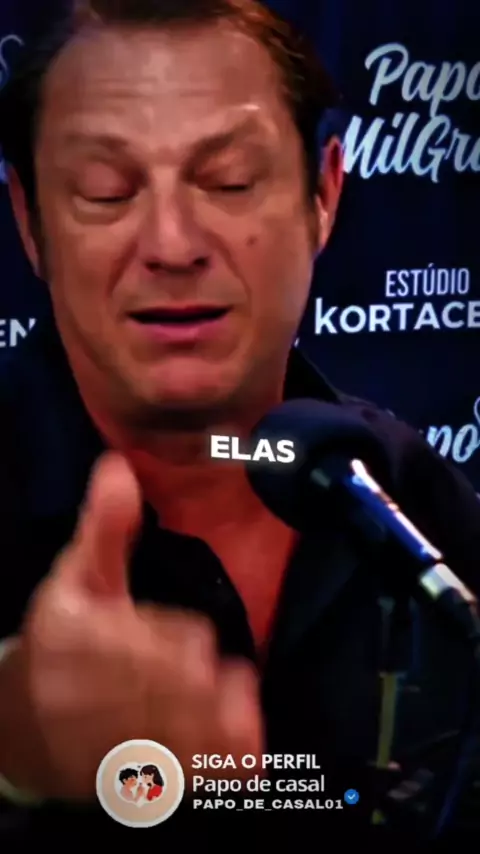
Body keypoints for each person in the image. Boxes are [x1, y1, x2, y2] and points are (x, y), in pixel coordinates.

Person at [0, 0, 479, 844]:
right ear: (30, 222)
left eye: (228, 182)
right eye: (106, 191)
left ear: (323, 194)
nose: (173, 244)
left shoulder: (407, 494)